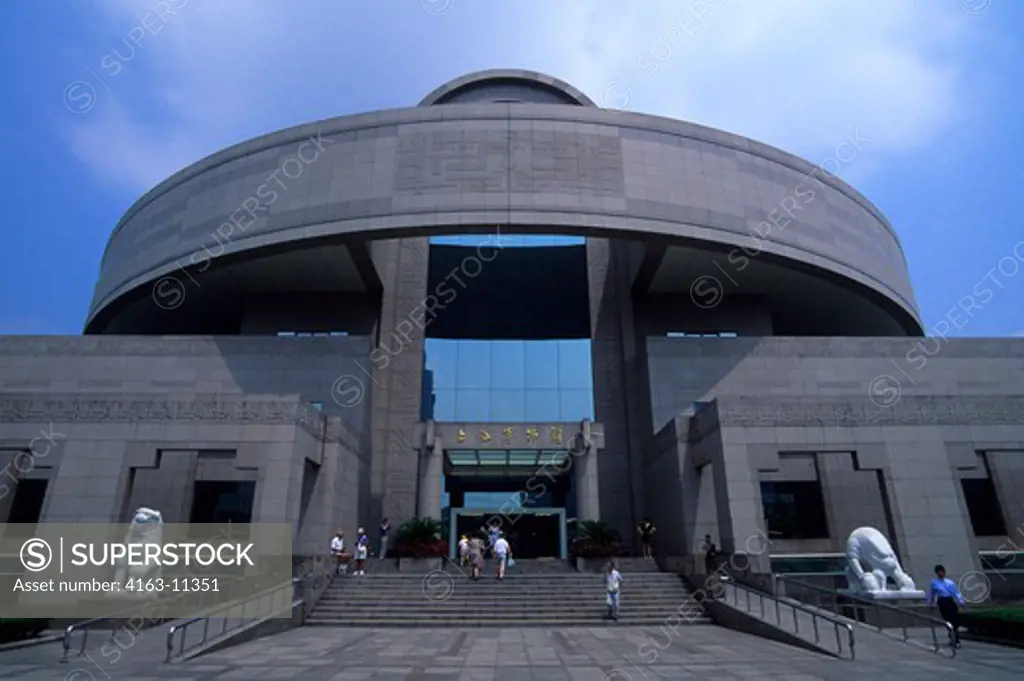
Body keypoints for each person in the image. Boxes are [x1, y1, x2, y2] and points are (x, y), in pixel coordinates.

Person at [927, 564, 965, 647]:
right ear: (937, 573)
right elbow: (932, 593)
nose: (942, 573)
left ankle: (956, 638)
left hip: (950, 601)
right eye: (940, 572)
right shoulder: (934, 582)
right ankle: (952, 636)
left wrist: (961, 601)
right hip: (942, 601)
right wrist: (930, 603)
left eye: (943, 571)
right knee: (948, 620)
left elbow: (956, 592)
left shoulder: (949, 582)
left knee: (955, 620)